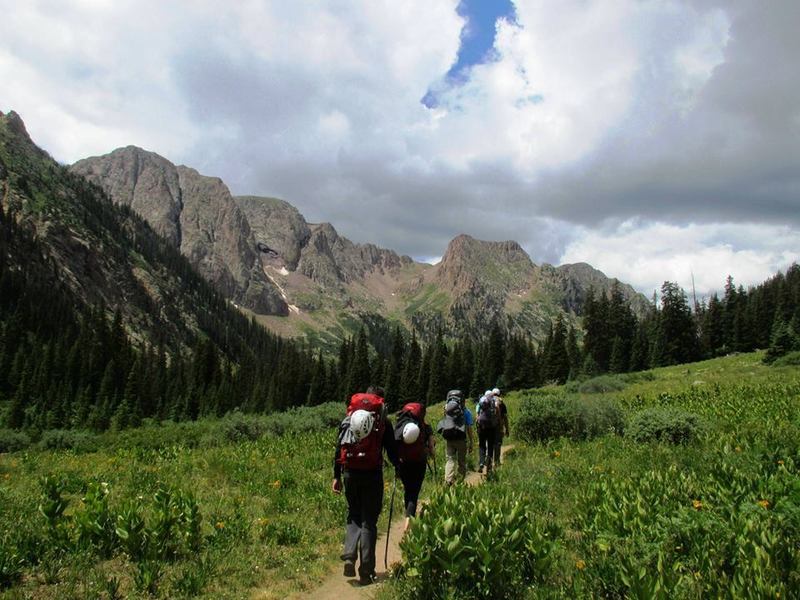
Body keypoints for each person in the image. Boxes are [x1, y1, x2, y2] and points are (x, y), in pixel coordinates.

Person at [332, 386, 399, 586]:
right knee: (369, 520)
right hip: (372, 475)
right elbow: (392, 451)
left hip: (350, 473)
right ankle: (366, 572)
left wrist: (336, 476)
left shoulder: (350, 417)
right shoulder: (382, 422)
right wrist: (399, 469)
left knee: (354, 514)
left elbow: (339, 448)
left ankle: (350, 555)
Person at [394, 402, 434, 531]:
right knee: (414, 492)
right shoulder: (426, 427)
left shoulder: (401, 424)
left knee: (408, 490)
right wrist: (430, 452)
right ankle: (408, 521)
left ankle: (408, 516)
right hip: (419, 462)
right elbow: (432, 449)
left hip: (403, 462)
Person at [437, 389, 474, 485]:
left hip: (449, 438)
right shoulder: (466, 412)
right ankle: (460, 483)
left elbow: (446, 421)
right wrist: (471, 442)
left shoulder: (447, 409)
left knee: (450, 459)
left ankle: (448, 480)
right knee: (461, 461)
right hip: (461, 439)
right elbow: (469, 428)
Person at [476, 389, 499, 474]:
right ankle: (488, 461)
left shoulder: (481, 402)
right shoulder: (494, 401)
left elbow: (477, 417)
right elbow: (496, 413)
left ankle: (481, 463)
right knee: (490, 445)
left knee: (481, 445)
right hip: (491, 427)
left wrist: (478, 427)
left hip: (482, 427)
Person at [492, 387, 509, 466]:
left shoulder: (488, 401)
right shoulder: (501, 402)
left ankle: (488, 460)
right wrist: (507, 429)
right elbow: (505, 417)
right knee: (498, 443)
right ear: (499, 394)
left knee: (490, 443)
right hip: (498, 426)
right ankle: (496, 461)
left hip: (488, 426)